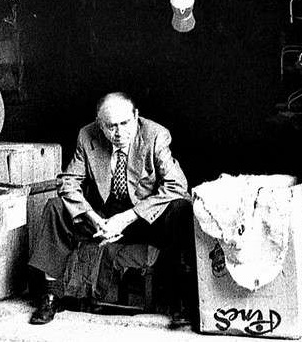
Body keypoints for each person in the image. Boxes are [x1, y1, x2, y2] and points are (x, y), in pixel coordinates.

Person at [28, 91, 195, 325]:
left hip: (144, 219)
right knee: (56, 207)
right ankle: (51, 296)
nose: (119, 133)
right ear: (100, 123)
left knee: (181, 208)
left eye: (125, 123)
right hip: (103, 218)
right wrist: (92, 217)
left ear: (136, 116)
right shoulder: (87, 135)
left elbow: (177, 185)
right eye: (111, 126)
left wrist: (127, 218)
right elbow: (68, 182)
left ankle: (183, 302)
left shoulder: (155, 135)